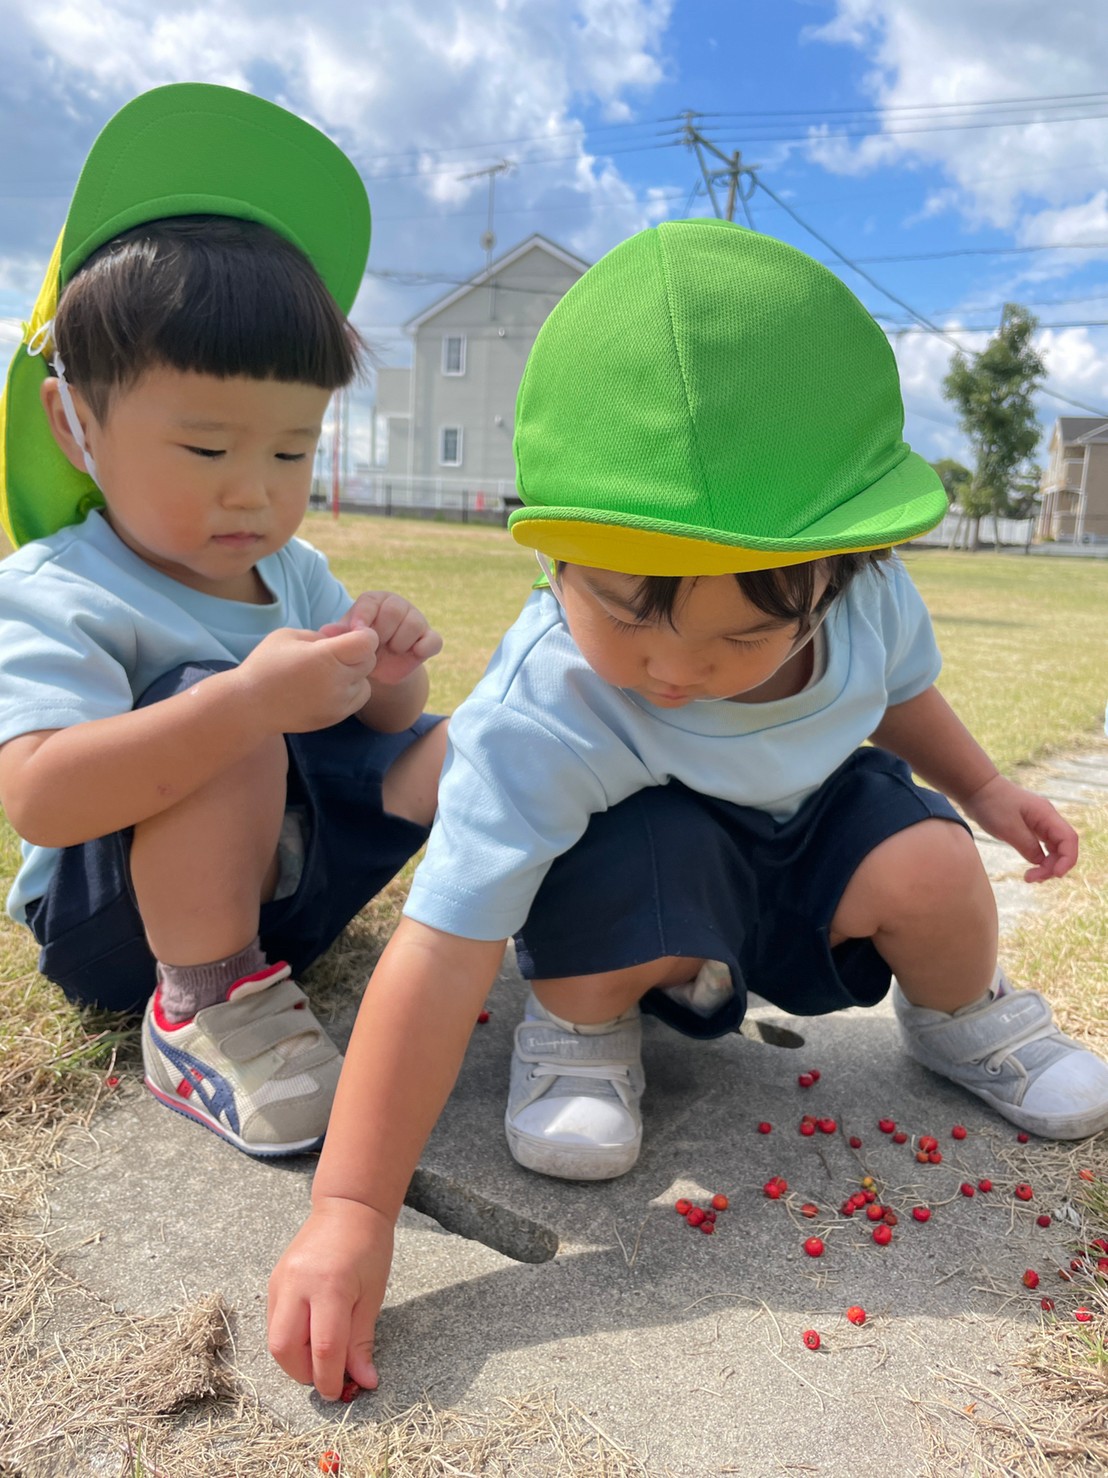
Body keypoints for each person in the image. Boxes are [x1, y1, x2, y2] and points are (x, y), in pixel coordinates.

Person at [268, 220, 1108, 1397]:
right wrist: (351, 1207)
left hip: (807, 827)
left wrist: (983, 788)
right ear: (550, 556)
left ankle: (962, 1013)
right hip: (643, 866)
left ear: (841, 574)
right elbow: (445, 944)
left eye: (745, 636)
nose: (671, 669)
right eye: (623, 614)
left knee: (933, 862)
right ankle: (578, 1027)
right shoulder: (544, 701)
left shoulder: (869, 605)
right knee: (618, 858)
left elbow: (897, 695)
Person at [0, 83, 447, 1159]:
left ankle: (515, 921)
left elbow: (384, 727)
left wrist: (386, 670)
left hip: (286, 892)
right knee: (218, 705)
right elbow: (42, 796)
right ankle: (200, 1011)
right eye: (207, 448)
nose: (254, 489)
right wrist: (246, 703)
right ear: (74, 422)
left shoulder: (290, 570)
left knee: (459, 745)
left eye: (292, 450)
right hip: (120, 931)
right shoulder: (61, 586)